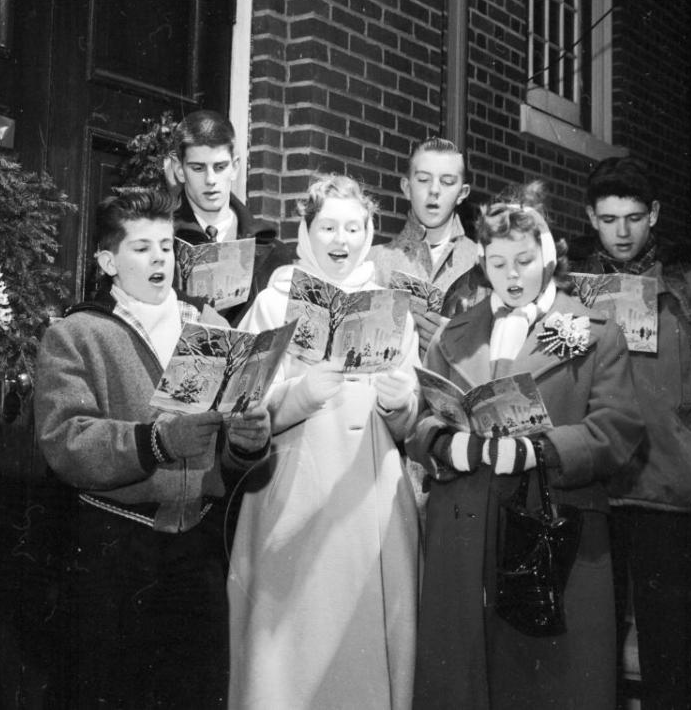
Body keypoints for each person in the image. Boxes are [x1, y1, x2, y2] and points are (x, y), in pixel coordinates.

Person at [407, 181, 644, 710]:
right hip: (464, 530)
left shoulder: (595, 331)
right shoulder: (454, 334)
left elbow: (618, 428)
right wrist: (445, 446)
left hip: (550, 528)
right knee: (466, 681)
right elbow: (422, 421)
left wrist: (544, 449)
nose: (512, 276)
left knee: (547, 683)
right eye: (497, 263)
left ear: (548, 255)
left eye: (524, 260)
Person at [34, 188, 271, 708]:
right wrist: (156, 442)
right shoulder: (78, 333)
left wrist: (248, 444)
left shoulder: (210, 328)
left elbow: (228, 449)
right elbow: (65, 440)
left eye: (166, 245)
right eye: (141, 248)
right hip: (116, 549)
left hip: (199, 547)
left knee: (197, 691)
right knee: (117, 692)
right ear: (108, 260)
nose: (160, 257)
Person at [227, 174, 421, 710]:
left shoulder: (390, 307)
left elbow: (411, 424)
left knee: (363, 650)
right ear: (306, 229)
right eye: (328, 227)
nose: (341, 240)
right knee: (291, 649)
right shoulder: (275, 301)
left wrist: (401, 400)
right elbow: (240, 405)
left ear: (371, 231)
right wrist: (301, 393)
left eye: (354, 228)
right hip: (292, 495)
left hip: (371, 495)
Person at [570, 155, 691, 710]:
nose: (621, 232)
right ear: (590, 218)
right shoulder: (569, 291)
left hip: (666, 494)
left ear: (653, 214)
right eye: (608, 219)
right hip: (593, 495)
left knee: (666, 658)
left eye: (633, 217)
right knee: (585, 655)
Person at [170, 109, 293, 325]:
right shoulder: (161, 244)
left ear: (235, 167)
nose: (211, 179)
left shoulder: (274, 252)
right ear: (180, 170)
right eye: (198, 168)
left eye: (220, 167)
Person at [371, 137, 476, 356]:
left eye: (447, 181)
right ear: (407, 188)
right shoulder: (373, 263)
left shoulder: (485, 263)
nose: (434, 190)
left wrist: (459, 349)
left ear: (462, 193)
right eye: (423, 179)